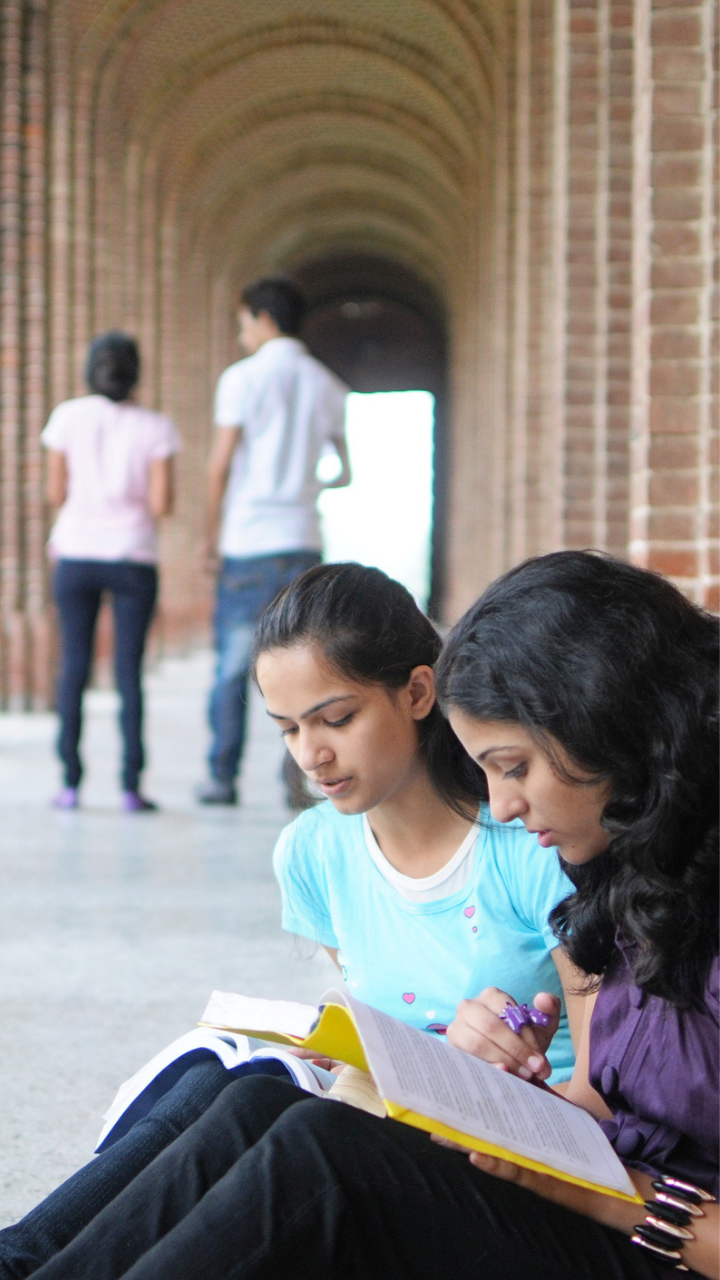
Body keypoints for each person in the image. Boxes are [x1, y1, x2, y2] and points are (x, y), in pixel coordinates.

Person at [14, 551, 717, 1280]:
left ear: (610, 724)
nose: (504, 804)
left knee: (320, 1160)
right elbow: (612, 1105)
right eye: (288, 730)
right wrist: (510, 1098)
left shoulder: (547, 861)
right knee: (253, 1102)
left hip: (651, 1240)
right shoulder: (637, 882)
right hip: (594, 1192)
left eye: (515, 767)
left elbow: (622, 1151)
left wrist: (607, 1193)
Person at [195, 277, 351, 807]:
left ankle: (221, 775)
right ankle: (300, 780)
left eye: (243, 324)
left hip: (248, 538)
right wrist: (308, 485)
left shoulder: (242, 379)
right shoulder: (328, 384)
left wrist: (208, 535)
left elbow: (219, 465)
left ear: (263, 319)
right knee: (305, 667)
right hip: (302, 538)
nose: (242, 336)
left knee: (232, 666)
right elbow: (345, 471)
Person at [41, 332, 180, 812]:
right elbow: (162, 503)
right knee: (128, 674)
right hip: (132, 557)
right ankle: (129, 786)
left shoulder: (66, 417)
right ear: (135, 373)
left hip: (76, 554)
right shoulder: (156, 427)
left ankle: (70, 783)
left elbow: (55, 494)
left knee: (73, 668)